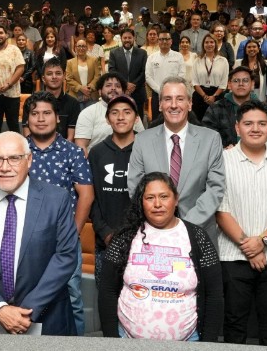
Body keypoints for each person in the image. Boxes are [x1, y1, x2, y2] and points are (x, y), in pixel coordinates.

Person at [0, 131, 79, 335]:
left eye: (14, 158)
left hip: (45, 316)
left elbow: (65, 256)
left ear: (29, 160)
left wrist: (25, 312)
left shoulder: (57, 199)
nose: (5, 167)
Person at [98, 171, 223, 341]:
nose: (157, 204)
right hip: (126, 341)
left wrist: (207, 344)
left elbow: (214, 295)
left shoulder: (197, 237)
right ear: (141, 202)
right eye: (150, 198)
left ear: (176, 199)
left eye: (164, 196)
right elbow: (107, 291)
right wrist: (111, 340)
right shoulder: (125, 237)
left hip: (188, 341)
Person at [216, 101, 267, 345]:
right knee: (234, 324)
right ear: (237, 128)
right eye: (248, 123)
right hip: (233, 256)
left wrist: (262, 242)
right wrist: (248, 245)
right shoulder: (222, 160)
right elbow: (220, 209)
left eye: (262, 123)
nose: (255, 129)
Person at [23, 91, 94, 335]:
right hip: (26, 240)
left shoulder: (72, 152)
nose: (41, 119)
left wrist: (72, 233)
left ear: (57, 118)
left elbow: (86, 195)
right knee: (26, 296)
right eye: (35, 114)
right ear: (27, 120)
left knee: (72, 297)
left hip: (63, 240)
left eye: (46, 113)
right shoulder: (19, 152)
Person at [128, 77, 225, 241]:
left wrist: (182, 226)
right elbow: (135, 186)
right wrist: (162, 222)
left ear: (190, 104)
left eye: (180, 99)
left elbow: (215, 188)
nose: (174, 105)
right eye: (167, 99)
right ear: (159, 105)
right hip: (154, 233)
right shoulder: (142, 140)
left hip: (198, 232)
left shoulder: (211, 139)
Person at [88, 94, 139, 280]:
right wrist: (105, 233)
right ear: (107, 119)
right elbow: (90, 198)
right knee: (106, 302)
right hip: (105, 242)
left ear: (137, 117)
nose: (120, 117)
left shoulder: (145, 149)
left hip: (141, 242)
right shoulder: (97, 152)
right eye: (114, 113)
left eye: (127, 112)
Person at [74, 72, 146, 153]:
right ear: (100, 91)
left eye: (118, 86)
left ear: (123, 92)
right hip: (97, 162)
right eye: (108, 85)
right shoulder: (88, 113)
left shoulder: (131, 112)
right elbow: (81, 146)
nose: (113, 88)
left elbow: (143, 140)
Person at [202, 66, 261, 149]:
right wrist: (223, 149)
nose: (241, 84)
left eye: (245, 80)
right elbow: (207, 136)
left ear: (252, 84)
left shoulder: (263, 109)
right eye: (236, 81)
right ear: (229, 85)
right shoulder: (216, 108)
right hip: (225, 157)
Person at [108, 29, 148, 120]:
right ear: (121, 39)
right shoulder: (114, 53)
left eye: (129, 37)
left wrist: (134, 85)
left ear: (134, 38)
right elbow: (112, 70)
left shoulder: (142, 53)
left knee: (138, 119)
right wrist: (125, 84)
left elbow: (145, 71)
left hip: (138, 92)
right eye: (125, 37)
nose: (127, 40)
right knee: (122, 118)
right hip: (120, 91)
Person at [145, 31, 184, 119]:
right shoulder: (151, 57)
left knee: (174, 119)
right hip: (157, 94)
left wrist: (171, 90)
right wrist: (160, 90)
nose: (164, 42)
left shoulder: (178, 56)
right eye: (162, 39)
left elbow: (181, 75)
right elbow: (148, 77)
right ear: (158, 41)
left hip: (175, 94)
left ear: (171, 41)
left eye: (167, 39)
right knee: (156, 121)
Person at [192, 34, 229, 121]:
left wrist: (214, 96)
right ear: (203, 45)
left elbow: (223, 84)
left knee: (217, 122)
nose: (209, 44)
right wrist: (205, 96)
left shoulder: (223, 61)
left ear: (215, 44)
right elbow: (195, 82)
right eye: (206, 42)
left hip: (217, 95)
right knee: (199, 122)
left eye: (211, 42)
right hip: (200, 95)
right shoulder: (197, 60)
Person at [66, 38, 102, 107]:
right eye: (79, 46)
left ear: (87, 48)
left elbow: (97, 76)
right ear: (75, 48)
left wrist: (88, 89)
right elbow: (69, 79)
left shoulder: (94, 60)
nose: (81, 48)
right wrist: (81, 88)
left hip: (91, 95)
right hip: (75, 96)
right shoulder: (69, 62)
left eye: (83, 46)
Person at [239, 38, 267, 102]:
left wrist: (266, 97)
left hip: (260, 95)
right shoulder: (238, 63)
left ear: (258, 49)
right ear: (245, 50)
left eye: (254, 47)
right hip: (243, 95)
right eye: (249, 47)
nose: (251, 49)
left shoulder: (265, 63)